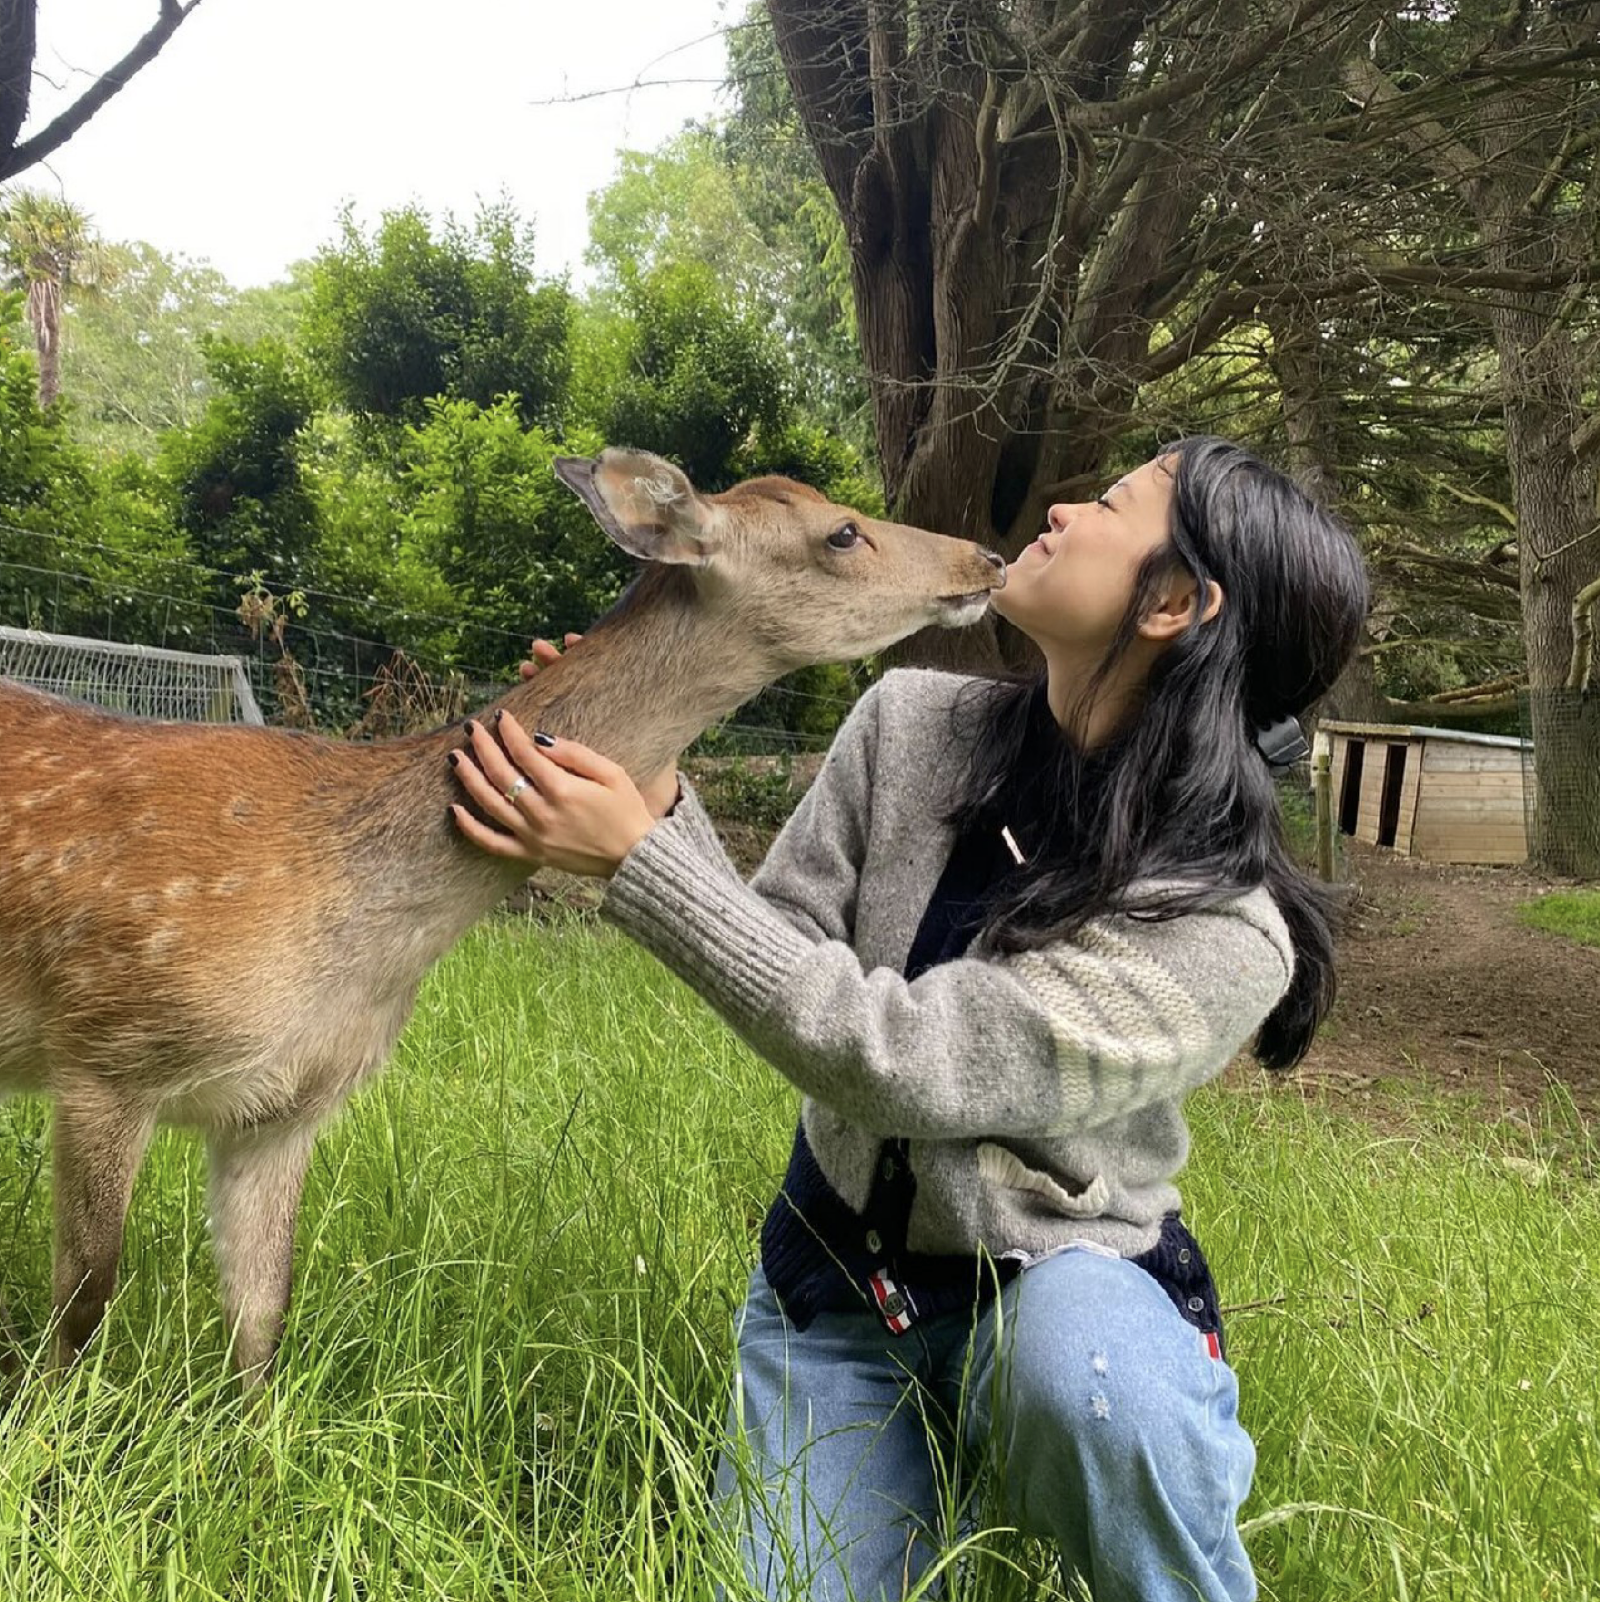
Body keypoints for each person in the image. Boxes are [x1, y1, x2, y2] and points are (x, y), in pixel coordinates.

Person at [448, 436, 1369, 1602]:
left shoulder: (1223, 931)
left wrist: (634, 859)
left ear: (1175, 602)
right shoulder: (907, 725)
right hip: (838, 1296)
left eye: (1116, 502)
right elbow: (776, 945)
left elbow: (909, 1062)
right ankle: (915, 1457)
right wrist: (652, 782)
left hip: (1054, 1286)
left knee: (1083, 1378)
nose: (1063, 507)